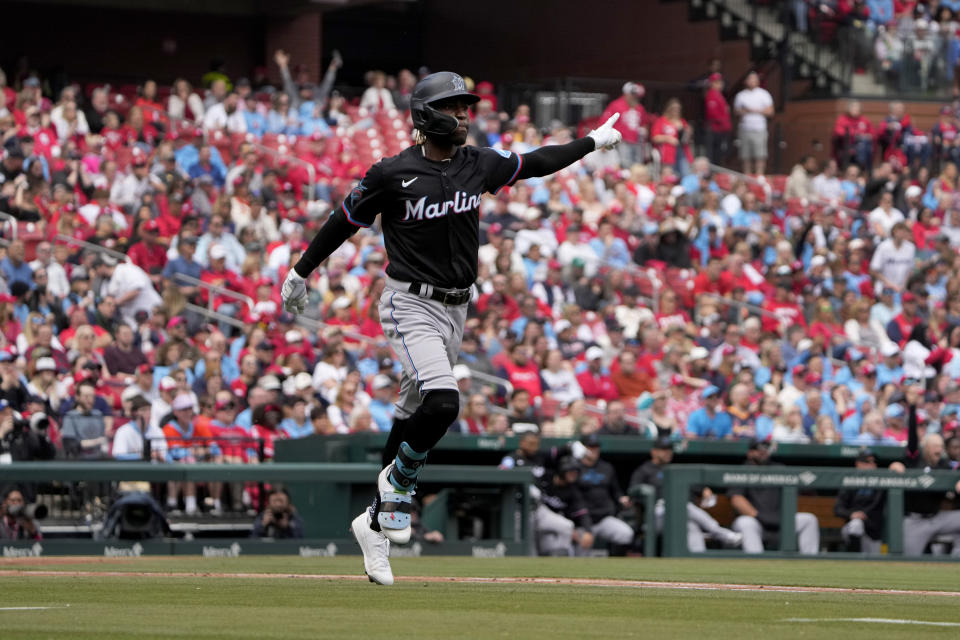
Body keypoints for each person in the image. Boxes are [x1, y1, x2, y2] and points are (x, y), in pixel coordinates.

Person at [280, 71, 622, 585]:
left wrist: (592, 141)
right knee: (443, 401)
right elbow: (342, 221)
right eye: (453, 107)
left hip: (457, 308)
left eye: (465, 107)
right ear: (425, 115)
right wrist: (300, 271)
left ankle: (374, 522)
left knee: (414, 410)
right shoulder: (391, 172)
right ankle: (400, 482)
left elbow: (537, 162)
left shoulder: (475, 163)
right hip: (409, 303)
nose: (463, 115)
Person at [629, 436, 741, 552]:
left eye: (669, 450)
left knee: (690, 525)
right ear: (654, 452)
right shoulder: (644, 470)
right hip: (654, 517)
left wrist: (704, 490)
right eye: (663, 450)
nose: (668, 453)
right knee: (683, 506)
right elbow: (633, 492)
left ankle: (698, 558)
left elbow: (693, 486)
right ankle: (720, 533)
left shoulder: (675, 469)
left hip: (678, 514)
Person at [890, 385, 960, 557]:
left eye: (940, 446)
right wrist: (912, 407)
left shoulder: (943, 463)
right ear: (926, 447)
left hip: (937, 517)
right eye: (934, 446)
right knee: (907, 560)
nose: (938, 449)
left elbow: (955, 468)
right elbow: (912, 438)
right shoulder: (916, 459)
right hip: (915, 520)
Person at [729, 440, 820, 554]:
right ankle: (756, 562)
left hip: (781, 521)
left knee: (809, 520)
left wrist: (807, 479)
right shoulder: (742, 470)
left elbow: (802, 487)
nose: (763, 452)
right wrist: (759, 516)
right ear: (750, 453)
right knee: (745, 522)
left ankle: (810, 562)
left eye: (766, 449)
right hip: (757, 522)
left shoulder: (779, 468)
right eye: (759, 450)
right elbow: (736, 499)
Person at [575, 434, 634, 552]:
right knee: (581, 551)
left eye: (596, 447)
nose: (594, 450)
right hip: (581, 521)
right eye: (590, 447)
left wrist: (621, 498)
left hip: (603, 518)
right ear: (582, 448)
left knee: (625, 534)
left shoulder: (606, 467)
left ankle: (616, 565)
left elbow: (615, 491)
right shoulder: (574, 467)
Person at [834, 447, 885, 554]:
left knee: (874, 564)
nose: (872, 465)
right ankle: (853, 559)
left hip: (873, 531)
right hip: (853, 528)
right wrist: (852, 514)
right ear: (858, 464)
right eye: (868, 462)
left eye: (874, 462)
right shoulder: (849, 482)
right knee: (856, 524)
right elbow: (838, 509)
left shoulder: (882, 481)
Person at [732, 71, 773, 175]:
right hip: (745, 128)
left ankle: (760, 175)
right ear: (746, 81)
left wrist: (753, 110)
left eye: (755, 79)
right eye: (750, 79)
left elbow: (770, 111)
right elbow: (737, 111)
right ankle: (747, 175)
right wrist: (746, 111)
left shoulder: (764, 94)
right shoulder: (741, 95)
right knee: (745, 155)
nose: (753, 81)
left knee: (760, 154)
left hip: (759, 128)